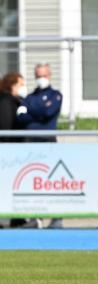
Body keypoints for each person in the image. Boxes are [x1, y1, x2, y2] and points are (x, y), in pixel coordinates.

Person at [17, 63, 64, 229]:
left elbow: (48, 114)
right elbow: (20, 118)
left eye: (43, 75)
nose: (40, 79)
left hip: (47, 142)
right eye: (37, 75)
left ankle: (57, 217)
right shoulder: (30, 97)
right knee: (31, 180)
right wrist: (37, 112)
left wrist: (30, 112)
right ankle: (35, 218)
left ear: (49, 75)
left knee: (52, 181)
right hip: (30, 143)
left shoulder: (55, 95)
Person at [0, 72, 33, 228]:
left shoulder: (16, 102)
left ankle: (17, 218)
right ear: (12, 85)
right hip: (9, 153)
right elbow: (6, 128)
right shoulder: (6, 102)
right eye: (20, 84)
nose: (23, 87)